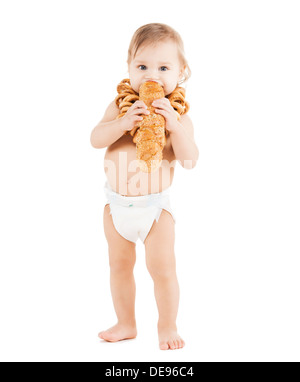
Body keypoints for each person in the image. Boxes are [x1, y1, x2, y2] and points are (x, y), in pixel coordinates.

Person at [90, 23, 199, 350]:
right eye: (142, 66)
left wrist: (175, 128)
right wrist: (123, 123)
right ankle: (126, 323)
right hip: (116, 208)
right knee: (119, 267)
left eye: (164, 68)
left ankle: (167, 326)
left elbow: (190, 160)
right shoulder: (122, 106)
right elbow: (95, 139)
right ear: (129, 68)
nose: (152, 75)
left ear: (181, 73)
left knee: (162, 269)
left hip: (155, 210)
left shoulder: (178, 116)